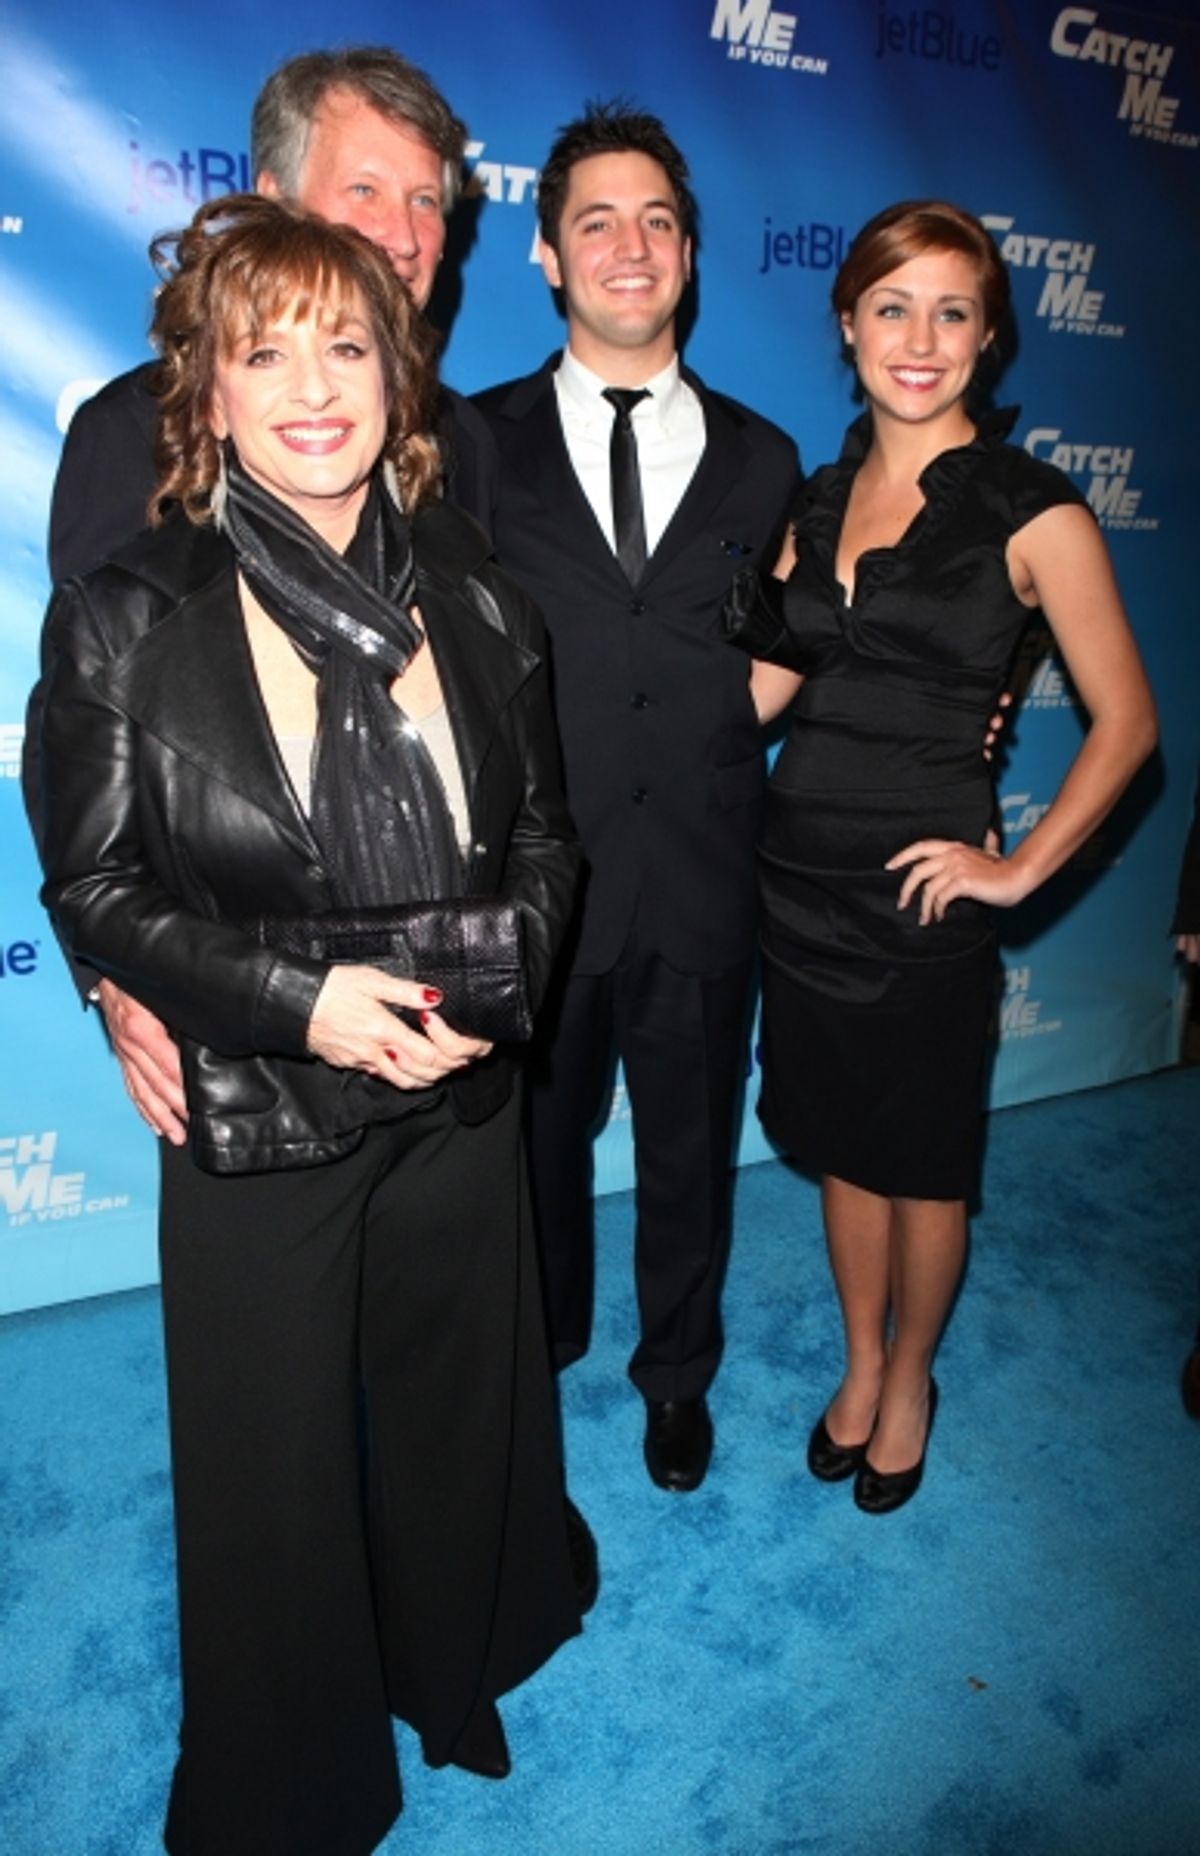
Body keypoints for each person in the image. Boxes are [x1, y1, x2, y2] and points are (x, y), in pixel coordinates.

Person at [31, 195, 583, 1851]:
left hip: (456, 1095)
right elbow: (99, 887)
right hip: (261, 1105)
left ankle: (455, 1663)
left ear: (398, 378)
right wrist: (306, 1003)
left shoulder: (475, 595)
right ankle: (296, 1784)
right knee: (268, 1483)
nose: (316, 384)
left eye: (348, 344)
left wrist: (500, 983)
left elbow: (549, 835)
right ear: (207, 391)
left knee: (449, 1416)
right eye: (267, 352)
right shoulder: (132, 608)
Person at [727, 200, 1157, 1513]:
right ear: (847, 322)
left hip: (926, 892)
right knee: (844, 1150)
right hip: (798, 877)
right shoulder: (815, 492)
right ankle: (858, 1363)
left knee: (920, 1159)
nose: (921, 339)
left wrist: (1019, 873)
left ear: (988, 338)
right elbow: (757, 695)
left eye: (953, 312)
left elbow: (1129, 721)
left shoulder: (1036, 513)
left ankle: (913, 1376)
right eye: (893, 307)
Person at [37, 45, 494, 1142]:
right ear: (272, 203)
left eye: (426, 198)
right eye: (367, 189)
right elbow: (77, 750)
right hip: (243, 1037)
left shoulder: (469, 442)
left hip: (450, 1031)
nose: (403, 230)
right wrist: (117, 979)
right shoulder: (135, 428)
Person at [473, 104, 800, 1492]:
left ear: (691, 255)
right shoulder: (470, 445)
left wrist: (725, 733)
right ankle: (541, 1359)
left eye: (658, 219)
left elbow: (779, 643)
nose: (630, 244)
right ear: (547, 255)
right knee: (536, 1167)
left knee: (689, 1160)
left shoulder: (765, 457)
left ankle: (678, 1378)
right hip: (540, 892)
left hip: (706, 879)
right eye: (596, 220)